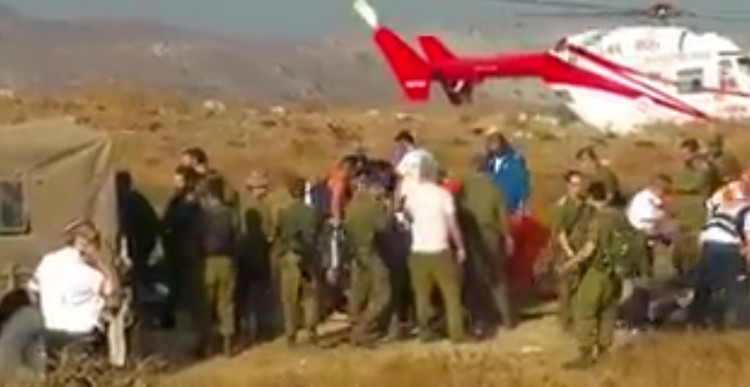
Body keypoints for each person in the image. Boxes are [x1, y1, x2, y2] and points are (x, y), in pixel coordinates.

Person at [561, 182, 633, 369]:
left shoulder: (599, 220)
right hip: (616, 273)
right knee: (608, 312)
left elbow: (589, 249)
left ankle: (585, 354)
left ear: (591, 198)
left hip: (598, 271)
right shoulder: (621, 217)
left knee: (584, 311)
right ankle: (604, 352)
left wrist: (570, 264)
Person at [28, 221, 117, 363]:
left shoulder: (47, 262)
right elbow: (111, 291)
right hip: (83, 335)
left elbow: (33, 290)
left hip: (52, 333)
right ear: (86, 243)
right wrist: (100, 262)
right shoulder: (90, 272)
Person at [402, 165, 466, 343]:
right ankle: (456, 333)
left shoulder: (412, 197)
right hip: (440, 250)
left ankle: (425, 333)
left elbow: (406, 216)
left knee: (422, 296)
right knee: (451, 294)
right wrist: (460, 247)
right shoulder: (443, 195)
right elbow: (452, 224)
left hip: (418, 252)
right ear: (436, 177)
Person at [457, 154, 516, 337]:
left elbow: (457, 212)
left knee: (474, 278)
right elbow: (503, 218)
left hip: (471, 235)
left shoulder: (464, 188)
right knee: (497, 276)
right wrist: (508, 238)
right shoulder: (496, 189)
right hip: (491, 234)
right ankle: (506, 319)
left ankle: (479, 319)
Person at [195, 175, 240, 357]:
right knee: (227, 303)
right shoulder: (230, 214)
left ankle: (207, 345)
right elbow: (237, 238)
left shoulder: (203, 216)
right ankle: (228, 345)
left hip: (208, 262)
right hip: (228, 261)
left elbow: (196, 239)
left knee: (206, 304)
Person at [276, 176, 324, 346]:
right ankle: (312, 330)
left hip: (290, 257)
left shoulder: (284, 213)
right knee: (310, 296)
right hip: (309, 256)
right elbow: (318, 233)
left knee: (290, 299)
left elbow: (279, 235)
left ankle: (291, 334)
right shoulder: (313, 212)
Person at [344, 174, 391, 346]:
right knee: (383, 292)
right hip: (369, 251)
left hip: (355, 253)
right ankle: (363, 327)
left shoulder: (350, 206)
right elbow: (384, 227)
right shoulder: (372, 207)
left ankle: (354, 327)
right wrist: (387, 208)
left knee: (358, 293)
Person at [624, 173, 675, 331]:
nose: (666, 194)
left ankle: (641, 317)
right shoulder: (644, 202)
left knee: (645, 283)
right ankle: (635, 321)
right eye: (665, 190)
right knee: (642, 283)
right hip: (639, 244)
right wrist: (666, 235)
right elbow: (648, 227)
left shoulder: (653, 201)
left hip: (646, 243)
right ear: (657, 187)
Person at [691, 197, 750, 329]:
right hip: (727, 246)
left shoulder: (729, 205)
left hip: (708, 243)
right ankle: (723, 321)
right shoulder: (747, 212)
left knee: (705, 284)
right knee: (730, 285)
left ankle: (696, 319)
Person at [550, 169, 594, 332]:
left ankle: (577, 319)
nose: (578, 188)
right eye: (574, 184)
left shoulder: (586, 205)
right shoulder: (562, 206)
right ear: (568, 185)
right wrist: (570, 253)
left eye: (580, 184)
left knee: (581, 286)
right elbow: (560, 232)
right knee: (566, 288)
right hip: (567, 250)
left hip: (582, 249)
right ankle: (565, 322)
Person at [237, 170, 277, 344]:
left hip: (244, 257)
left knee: (247, 297)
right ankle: (258, 330)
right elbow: (269, 234)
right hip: (258, 257)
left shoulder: (243, 206)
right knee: (258, 296)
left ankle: (248, 330)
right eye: (262, 187)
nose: (266, 190)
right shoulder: (262, 208)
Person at [161, 166, 202, 325]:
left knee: (186, 286)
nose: (176, 184)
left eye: (179, 180)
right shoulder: (176, 200)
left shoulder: (191, 201)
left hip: (187, 249)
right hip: (176, 248)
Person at [115, 170, 160, 292]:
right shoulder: (120, 201)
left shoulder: (135, 201)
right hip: (135, 243)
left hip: (139, 243)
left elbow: (148, 222)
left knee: (136, 271)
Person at [483, 129, 530, 215]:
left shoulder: (514, 160)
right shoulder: (488, 161)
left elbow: (523, 184)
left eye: (494, 143)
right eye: (490, 144)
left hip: (510, 205)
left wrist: (521, 206)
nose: (491, 146)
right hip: (495, 206)